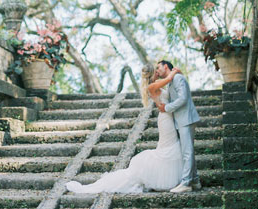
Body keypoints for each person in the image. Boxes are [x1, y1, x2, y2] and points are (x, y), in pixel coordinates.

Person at [65, 64, 184, 194]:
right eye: (156, 71)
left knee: (168, 148)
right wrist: (175, 72)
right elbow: (168, 79)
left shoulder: (156, 84)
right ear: (152, 74)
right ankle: (164, 180)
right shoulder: (152, 86)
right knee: (169, 148)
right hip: (165, 119)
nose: (158, 71)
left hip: (168, 117)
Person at [156, 59, 201, 192]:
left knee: (187, 152)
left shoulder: (178, 78)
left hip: (186, 118)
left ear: (166, 66)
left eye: (158, 68)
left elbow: (183, 98)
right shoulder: (170, 81)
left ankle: (186, 183)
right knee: (187, 151)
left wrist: (167, 108)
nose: (157, 71)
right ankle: (196, 181)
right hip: (180, 120)